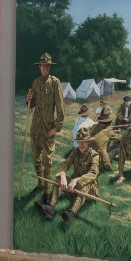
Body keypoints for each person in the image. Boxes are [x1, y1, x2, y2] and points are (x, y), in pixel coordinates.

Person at [26, 53, 66, 204]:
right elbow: (33, 105)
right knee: (36, 157)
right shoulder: (35, 83)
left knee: (47, 161)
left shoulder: (55, 83)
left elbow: (61, 108)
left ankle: (47, 193)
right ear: (40, 67)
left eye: (48, 65)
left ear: (49, 67)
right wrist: (29, 99)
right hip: (36, 127)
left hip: (48, 128)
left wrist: (57, 127)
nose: (45, 68)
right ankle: (40, 184)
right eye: (43, 65)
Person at [37, 127, 100, 222]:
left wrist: (76, 180)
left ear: (88, 142)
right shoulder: (75, 152)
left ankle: (71, 213)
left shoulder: (94, 155)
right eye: (79, 142)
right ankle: (50, 208)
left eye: (84, 142)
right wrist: (62, 176)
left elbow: (93, 174)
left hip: (90, 187)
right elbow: (65, 164)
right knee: (59, 179)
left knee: (85, 187)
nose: (81, 144)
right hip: (74, 186)